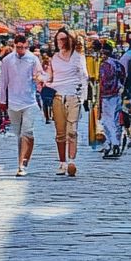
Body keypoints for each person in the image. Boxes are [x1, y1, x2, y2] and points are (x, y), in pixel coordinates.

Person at [0, 33, 44, 177]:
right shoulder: (7, 60)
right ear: (14, 46)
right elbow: (3, 81)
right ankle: (21, 160)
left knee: (27, 132)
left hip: (29, 101)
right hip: (13, 102)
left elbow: (40, 75)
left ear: (27, 46)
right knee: (19, 135)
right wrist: (2, 100)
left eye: (23, 47)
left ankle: (22, 164)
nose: (21, 50)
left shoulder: (33, 59)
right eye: (18, 47)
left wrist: (40, 80)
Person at [44, 28, 88, 177]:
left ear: (70, 40)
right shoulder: (55, 58)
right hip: (58, 97)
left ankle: (71, 161)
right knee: (60, 133)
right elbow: (50, 79)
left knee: (72, 131)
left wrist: (83, 97)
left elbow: (84, 77)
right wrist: (41, 79)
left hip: (73, 96)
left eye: (63, 39)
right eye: (58, 40)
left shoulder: (77, 57)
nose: (60, 42)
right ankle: (62, 162)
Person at [96, 40, 126, 157]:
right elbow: (123, 77)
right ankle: (110, 144)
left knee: (107, 121)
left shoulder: (105, 65)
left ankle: (114, 144)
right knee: (115, 120)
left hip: (107, 96)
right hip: (117, 94)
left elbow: (104, 83)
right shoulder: (118, 64)